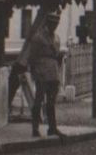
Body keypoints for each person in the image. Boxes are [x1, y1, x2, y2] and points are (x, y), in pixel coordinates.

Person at [21, 10, 64, 138]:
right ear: (47, 23)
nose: (54, 25)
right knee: (38, 101)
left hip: (53, 73)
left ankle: (52, 127)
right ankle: (35, 128)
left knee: (51, 102)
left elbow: (57, 55)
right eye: (52, 23)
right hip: (41, 72)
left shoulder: (56, 38)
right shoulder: (38, 37)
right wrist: (34, 72)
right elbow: (32, 57)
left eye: (56, 23)